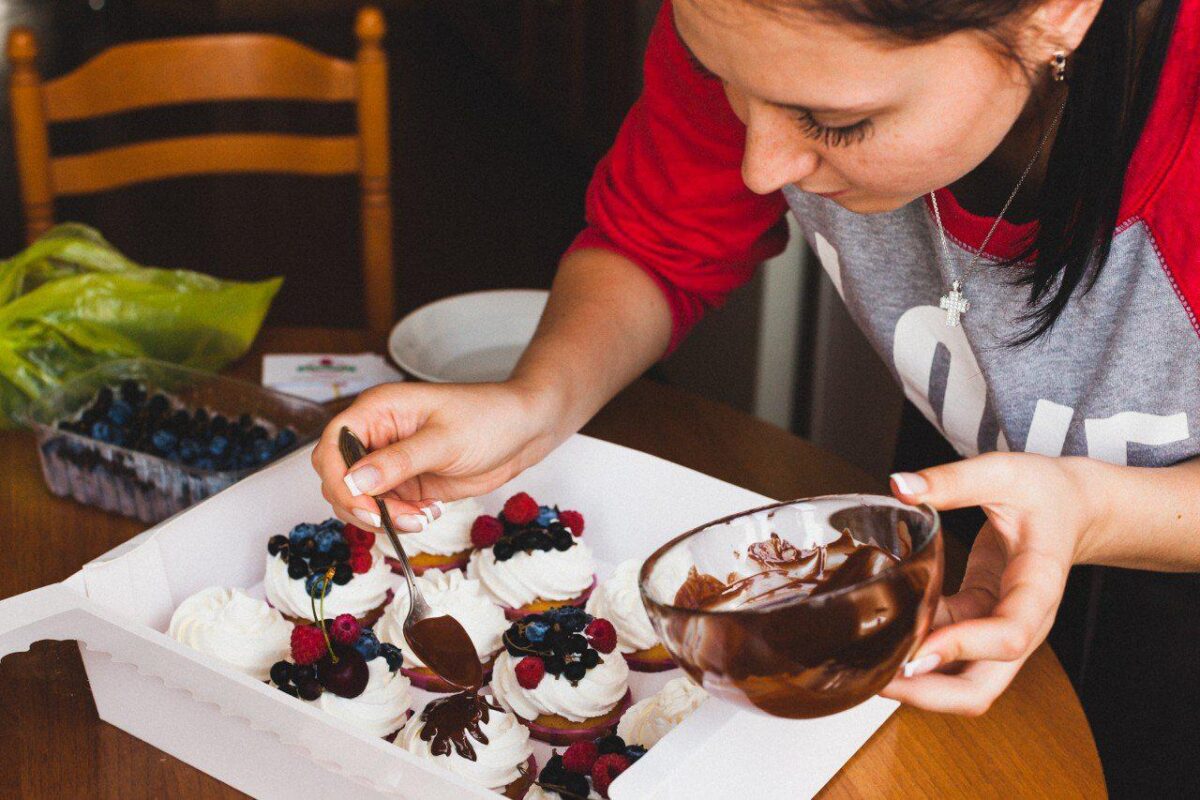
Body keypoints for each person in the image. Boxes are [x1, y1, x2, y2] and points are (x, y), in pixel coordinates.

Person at [314, 0, 1198, 792]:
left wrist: (1094, 508)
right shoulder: (759, 21)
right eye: (723, 81)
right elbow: (660, 239)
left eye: (835, 121)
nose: (760, 166)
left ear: (1057, 13)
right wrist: (534, 400)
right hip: (966, 523)